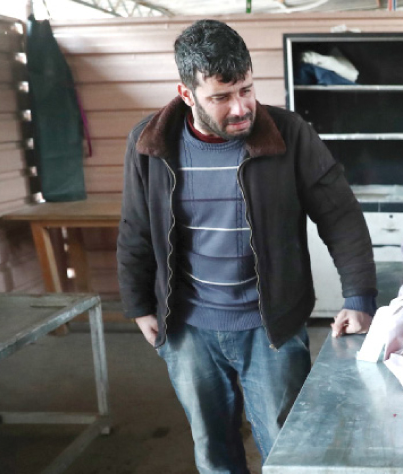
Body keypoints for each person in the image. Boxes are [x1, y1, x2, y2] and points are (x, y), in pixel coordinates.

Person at [116, 19, 377, 473]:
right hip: (187, 327)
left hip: (270, 325)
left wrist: (358, 297)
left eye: (247, 90)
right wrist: (139, 305)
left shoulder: (290, 134)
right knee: (212, 447)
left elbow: (340, 215)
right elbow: (136, 228)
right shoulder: (149, 144)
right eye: (221, 97)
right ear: (187, 94)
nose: (241, 108)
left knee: (287, 446)